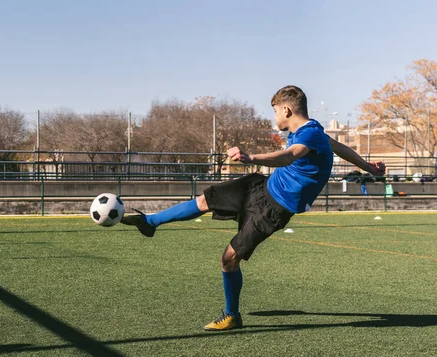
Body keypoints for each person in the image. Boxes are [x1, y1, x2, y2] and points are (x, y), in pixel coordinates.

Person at [121, 85, 386, 331]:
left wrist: (251, 157)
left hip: (274, 209)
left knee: (229, 259)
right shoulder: (311, 131)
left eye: (274, 111)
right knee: (205, 200)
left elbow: (289, 156)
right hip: (260, 186)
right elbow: (341, 149)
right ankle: (150, 223)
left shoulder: (310, 134)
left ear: (286, 109)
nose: (274, 117)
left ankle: (231, 315)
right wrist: (370, 168)